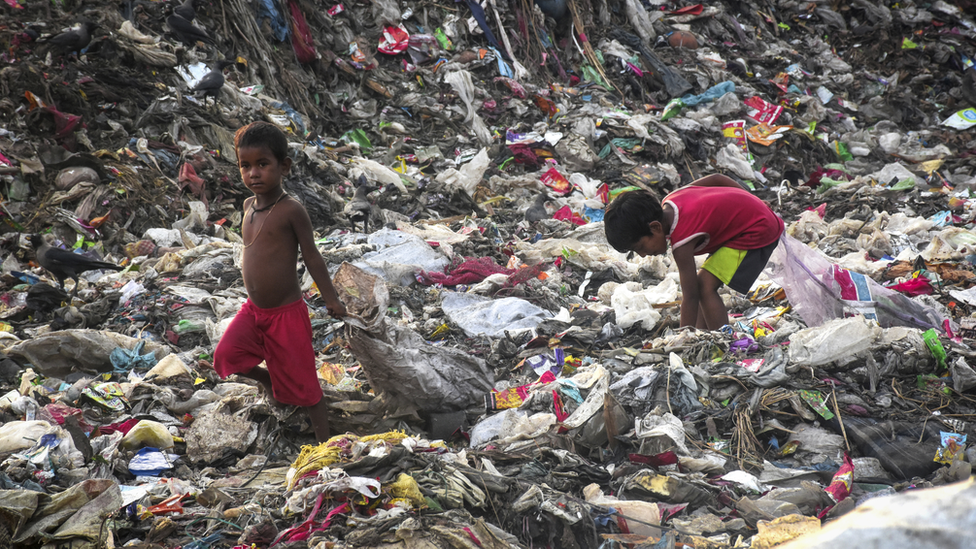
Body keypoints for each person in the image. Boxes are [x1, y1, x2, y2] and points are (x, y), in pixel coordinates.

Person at [213, 121, 347, 442]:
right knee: (226, 356)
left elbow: (312, 256)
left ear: (283, 166)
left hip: (286, 315)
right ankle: (269, 381)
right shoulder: (247, 207)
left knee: (306, 387)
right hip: (254, 311)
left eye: (263, 164)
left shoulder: (291, 210)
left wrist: (331, 299)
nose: (253, 174)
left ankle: (324, 442)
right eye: (245, 166)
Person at [604, 174, 784, 330]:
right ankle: (702, 334)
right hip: (753, 220)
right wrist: (754, 200)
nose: (643, 255)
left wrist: (683, 338)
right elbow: (717, 179)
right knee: (700, 284)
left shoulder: (682, 242)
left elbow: (690, 296)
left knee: (704, 287)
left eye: (640, 247)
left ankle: (722, 340)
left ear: (655, 227)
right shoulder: (673, 199)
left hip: (757, 230)